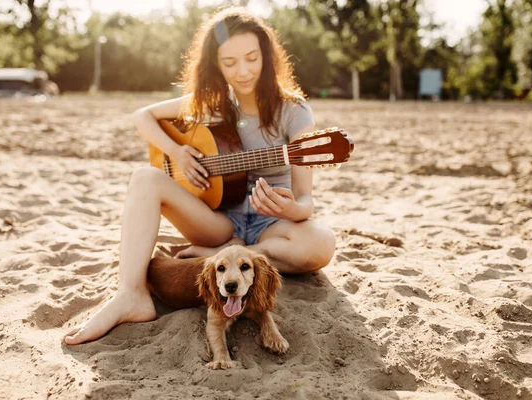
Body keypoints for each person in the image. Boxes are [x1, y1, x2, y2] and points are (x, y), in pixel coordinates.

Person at [63, 7, 336, 345]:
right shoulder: (213, 102)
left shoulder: (294, 111)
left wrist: (295, 210)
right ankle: (131, 293)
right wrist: (177, 151)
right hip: (217, 222)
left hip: (271, 224)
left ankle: (229, 254)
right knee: (144, 178)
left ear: (266, 56)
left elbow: (305, 199)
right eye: (230, 62)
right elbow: (143, 117)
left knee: (322, 243)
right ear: (215, 65)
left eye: (252, 58)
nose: (243, 71)